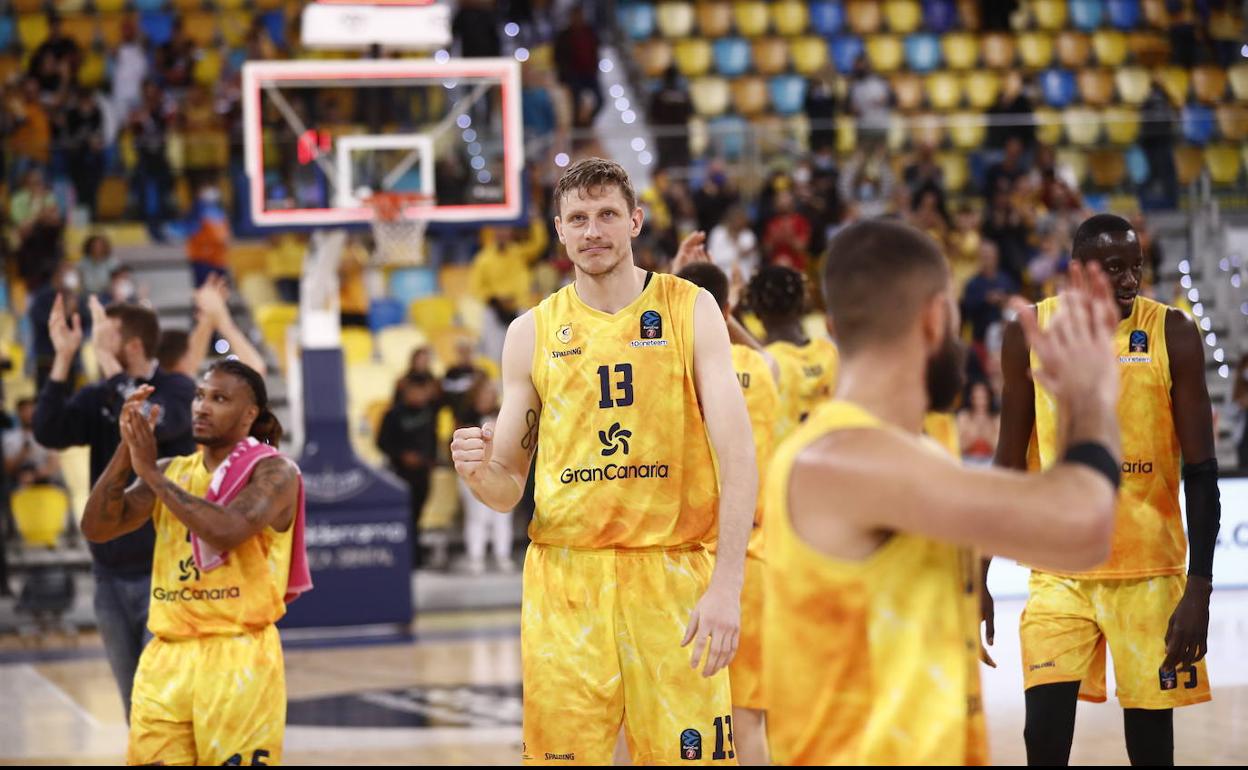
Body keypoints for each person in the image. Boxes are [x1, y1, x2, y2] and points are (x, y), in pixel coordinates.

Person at [764, 218, 1122, 764]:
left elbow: (1073, 538)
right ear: (935, 318)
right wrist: (1089, 394)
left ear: (834, 325)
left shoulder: (900, 455)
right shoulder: (851, 462)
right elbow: (1084, 524)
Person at [451, 158, 755, 764]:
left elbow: (739, 456)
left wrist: (727, 585)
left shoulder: (689, 309)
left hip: (672, 575)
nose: (593, 230)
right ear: (559, 232)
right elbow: (508, 486)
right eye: (578, 218)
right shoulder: (530, 333)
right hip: (567, 582)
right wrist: (478, 471)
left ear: (636, 221)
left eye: (608, 215)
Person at [991, 213, 1220, 766]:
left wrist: (1200, 588)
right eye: (1114, 268)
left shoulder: (1173, 332)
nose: (1129, 280)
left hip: (1148, 576)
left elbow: (1203, 471)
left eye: (1136, 266)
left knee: (1149, 747)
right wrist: (978, 567)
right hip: (1058, 572)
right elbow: (1007, 458)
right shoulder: (1029, 331)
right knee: (1042, 739)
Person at [80, 361, 306, 765]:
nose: (202, 407)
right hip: (166, 655)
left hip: (237, 656)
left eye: (219, 399)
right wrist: (127, 450)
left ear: (249, 414)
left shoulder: (274, 472)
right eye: (200, 396)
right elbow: (97, 527)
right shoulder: (171, 470)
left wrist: (149, 473)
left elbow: (228, 529)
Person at [33, 298, 196, 719]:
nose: (97, 336)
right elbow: (48, 430)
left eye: (108, 332)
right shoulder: (101, 394)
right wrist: (64, 358)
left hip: (165, 572)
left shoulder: (178, 390)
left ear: (134, 344)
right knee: (134, 707)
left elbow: (155, 423)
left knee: (161, 700)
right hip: (108, 572)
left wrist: (110, 366)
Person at [676, 260, 779, 766]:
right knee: (748, 716)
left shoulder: (675, 364)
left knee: (669, 714)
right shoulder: (763, 367)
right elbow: (764, 354)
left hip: (686, 556)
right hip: (753, 555)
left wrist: (678, 292)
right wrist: (725, 307)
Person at [746, 265, 839, 439]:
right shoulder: (831, 351)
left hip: (784, 464)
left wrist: (730, 315)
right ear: (803, 302)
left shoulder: (762, 364)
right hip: (833, 458)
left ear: (756, 311)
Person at [377, 373, 441, 569]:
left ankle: (416, 558)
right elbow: (382, 442)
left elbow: (432, 441)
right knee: (405, 517)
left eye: (422, 391)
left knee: (417, 517)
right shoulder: (392, 415)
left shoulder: (429, 413)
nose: (419, 395)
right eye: (415, 390)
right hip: (400, 475)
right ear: (406, 391)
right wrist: (402, 455)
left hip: (422, 474)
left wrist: (427, 460)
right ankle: (408, 559)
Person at [455, 376, 515, 574]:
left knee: (502, 513)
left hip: (500, 470)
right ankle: (476, 556)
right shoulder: (465, 417)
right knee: (477, 515)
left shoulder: (503, 414)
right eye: (484, 393)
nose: (488, 397)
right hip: (471, 472)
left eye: (491, 393)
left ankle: (502, 555)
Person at [3, 398, 62, 487]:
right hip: (18, 482)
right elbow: (8, 469)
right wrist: (22, 454)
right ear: (18, 413)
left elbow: (54, 465)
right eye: (24, 410)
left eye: (31, 410)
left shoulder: (47, 435)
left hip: (45, 481)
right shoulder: (9, 438)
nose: (28, 414)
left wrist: (34, 476)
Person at [957, 381, 1000, 466]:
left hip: (990, 461)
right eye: (976, 398)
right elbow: (958, 446)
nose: (980, 402)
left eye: (983, 398)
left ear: (989, 398)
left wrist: (986, 434)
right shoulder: (963, 417)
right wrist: (974, 435)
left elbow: (999, 448)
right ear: (971, 398)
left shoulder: (996, 418)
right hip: (967, 460)